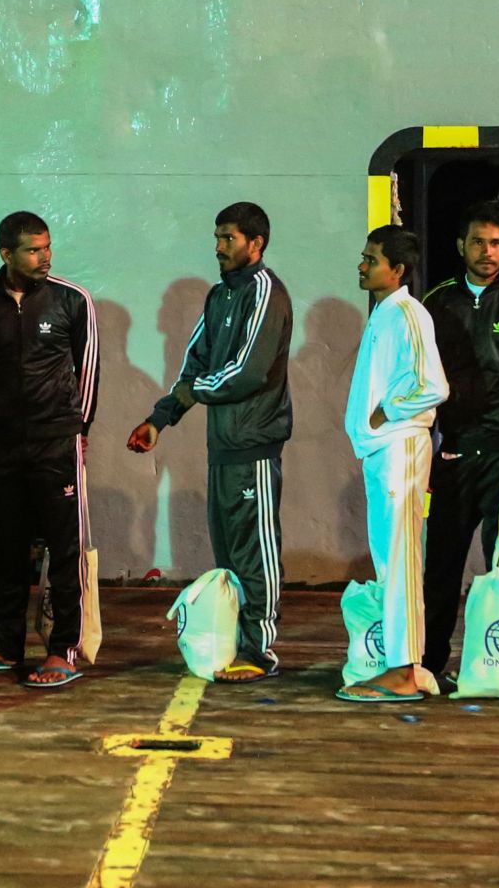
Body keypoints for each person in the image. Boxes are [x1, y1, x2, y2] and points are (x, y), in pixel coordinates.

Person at [130, 201, 294, 682]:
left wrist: (189, 392)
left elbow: (247, 373)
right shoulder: (221, 294)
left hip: (254, 447)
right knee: (229, 556)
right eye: (217, 238)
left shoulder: (265, 292)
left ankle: (261, 653)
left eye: (228, 239)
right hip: (222, 447)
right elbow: (196, 361)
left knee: (255, 552)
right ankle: (234, 644)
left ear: (256, 244)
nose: (219, 248)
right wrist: (160, 418)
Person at [0, 211, 100, 689]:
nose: (45, 257)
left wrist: (80, 429)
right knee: (9, 549)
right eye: (33, 249)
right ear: (6, 254)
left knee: (64, 550)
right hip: (2, 445)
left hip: (56, 441)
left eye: (47, 247)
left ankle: (63, 650)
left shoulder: (72, 300)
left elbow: (88, 367)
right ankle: (6, 645)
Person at [416, 202, 499, 685]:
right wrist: (425, 451)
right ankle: (430, 665)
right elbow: (422, 382)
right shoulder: (435, 303)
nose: (486, 252)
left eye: (495, 243)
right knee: (440, 570)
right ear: (461, 246)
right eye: (477, 242)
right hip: (451, 455)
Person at [337, 225, 448, 703]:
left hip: (400, 447)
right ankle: (404, 667)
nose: (362, 265)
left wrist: (388, 410)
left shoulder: (408, 313)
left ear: (397, 270)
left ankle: (403, 671)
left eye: (371, 258)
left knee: (401, 561)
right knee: (390, 561)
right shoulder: (385, 313)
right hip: (382, 451)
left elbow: (433, 386)